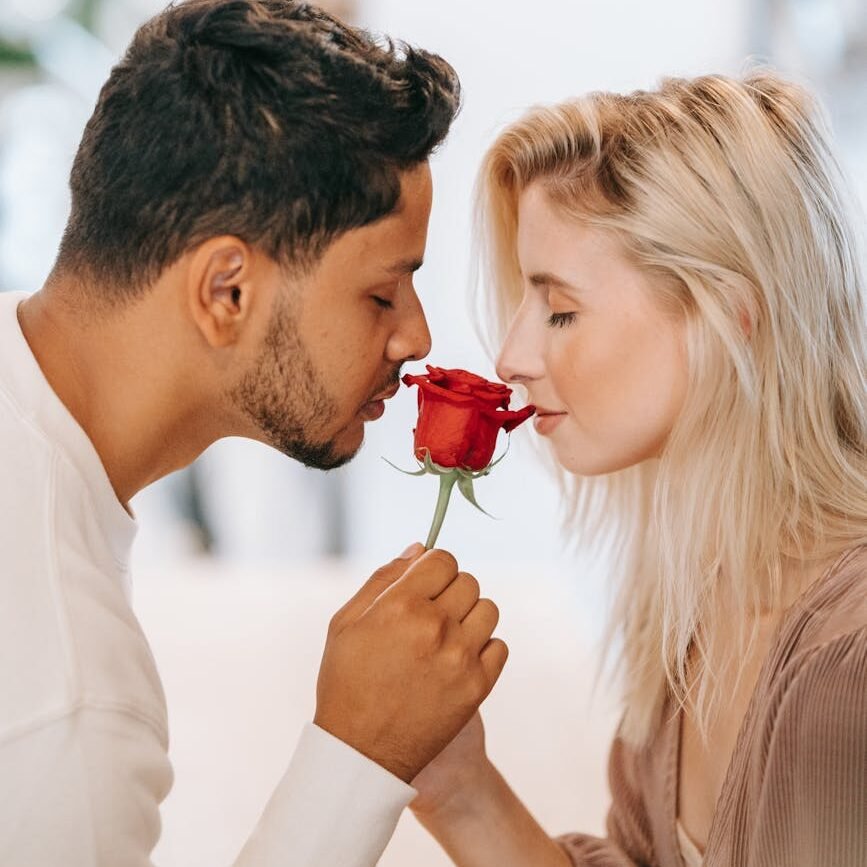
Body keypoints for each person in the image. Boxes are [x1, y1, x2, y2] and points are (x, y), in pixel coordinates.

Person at [0, 2, 509, 865]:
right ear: (226, 291)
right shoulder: (70, 702)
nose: (416, 338)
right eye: (383, 293)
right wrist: (357, 755)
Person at [408, 70, 867, 866]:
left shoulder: (844, 671)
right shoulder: (701, 605)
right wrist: (454, 781)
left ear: (726, 319)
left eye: (559, 309)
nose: (510, 356)